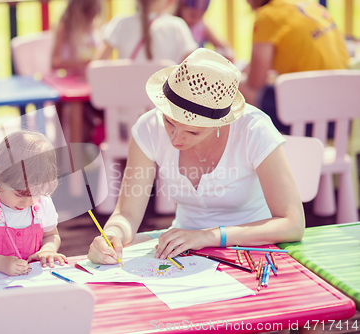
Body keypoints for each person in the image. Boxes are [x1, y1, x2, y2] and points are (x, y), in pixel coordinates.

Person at [88, 48, 304, 265]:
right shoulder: (148, 127)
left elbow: (292, 224)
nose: (175, 139)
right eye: (169, 121)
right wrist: (112, 235)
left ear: (221, 122)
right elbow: (127, 213)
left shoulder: (253, 129)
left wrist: (208, 236)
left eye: (193, 132)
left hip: (253, 249)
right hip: (183, 246)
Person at [0, 130, 67, 276]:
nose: (28, 202)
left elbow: (51, 235)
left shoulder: (43, 203)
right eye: (19, 193)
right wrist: (1, 263)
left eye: (35, 194)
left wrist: (47, 250)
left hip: (31, 285)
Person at [238, 0, 349, 134]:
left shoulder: (267, 16)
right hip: (344, 114)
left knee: (234, 88)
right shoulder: (311, 6)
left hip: (312, 119)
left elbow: (255, 83)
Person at [94, 0, 198, 64]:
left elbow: (96, 64)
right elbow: (194, 65)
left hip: (125, 98)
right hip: (162, 99)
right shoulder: (177, 26)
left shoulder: (120, 23)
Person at [51, 0, 102, 76]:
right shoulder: (65, 29)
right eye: (90, 14)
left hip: (90, 77)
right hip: (70, 79)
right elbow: (55, 63)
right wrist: (84, 64)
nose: (92, 18)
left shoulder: (92, 28)